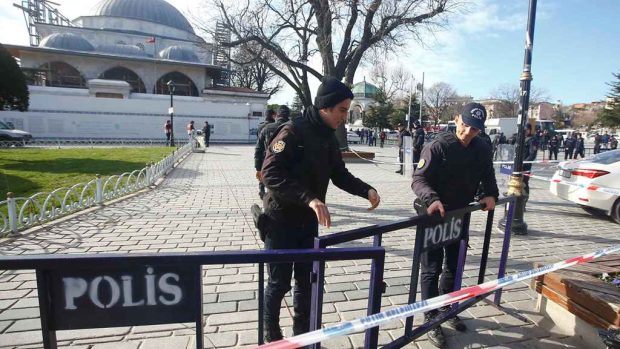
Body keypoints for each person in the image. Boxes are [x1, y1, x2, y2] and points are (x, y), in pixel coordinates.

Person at [260, 77, 381, 342]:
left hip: (308, 223)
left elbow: (339, 174)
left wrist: (366, 190)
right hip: (280, 220)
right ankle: (272, 336)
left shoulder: (329, 136)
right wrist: (310, 198)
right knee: (279, 283)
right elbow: (270, 173)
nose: (345, 116)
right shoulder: (293, 131)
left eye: (348, 110)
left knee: (306, 283)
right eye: (342, 110)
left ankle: (302, 338)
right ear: (325, 107)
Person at [412, 103, 498, 348]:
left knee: (453, 265)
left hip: (460, 214)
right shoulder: (438, 145)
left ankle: (447, 309)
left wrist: (490, 193)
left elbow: (487, 173)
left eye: (474, 130)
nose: (468, 132)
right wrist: (432, 198)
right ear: (457, 119)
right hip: (434, 215)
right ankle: (430, 317)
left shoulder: (481, 147)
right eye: (465, 125)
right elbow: (418, 179)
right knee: (431, 268)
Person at [254, 106, 291, 200]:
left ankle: (267, 196)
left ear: (277, 116)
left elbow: (258, 149)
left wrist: (258, 167)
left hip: (268, 161)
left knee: (270, 182)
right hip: (287, 164)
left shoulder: (266, 128)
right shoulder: (293, 128)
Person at [255, 110, 276, 199]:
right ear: (272, 115)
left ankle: (261, 189)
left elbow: (258, 139)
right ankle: (269, 191)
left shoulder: (260, 125)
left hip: (262, 153)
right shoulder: (274, 126)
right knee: (270, 172)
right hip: (271, 153)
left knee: (262, 171)